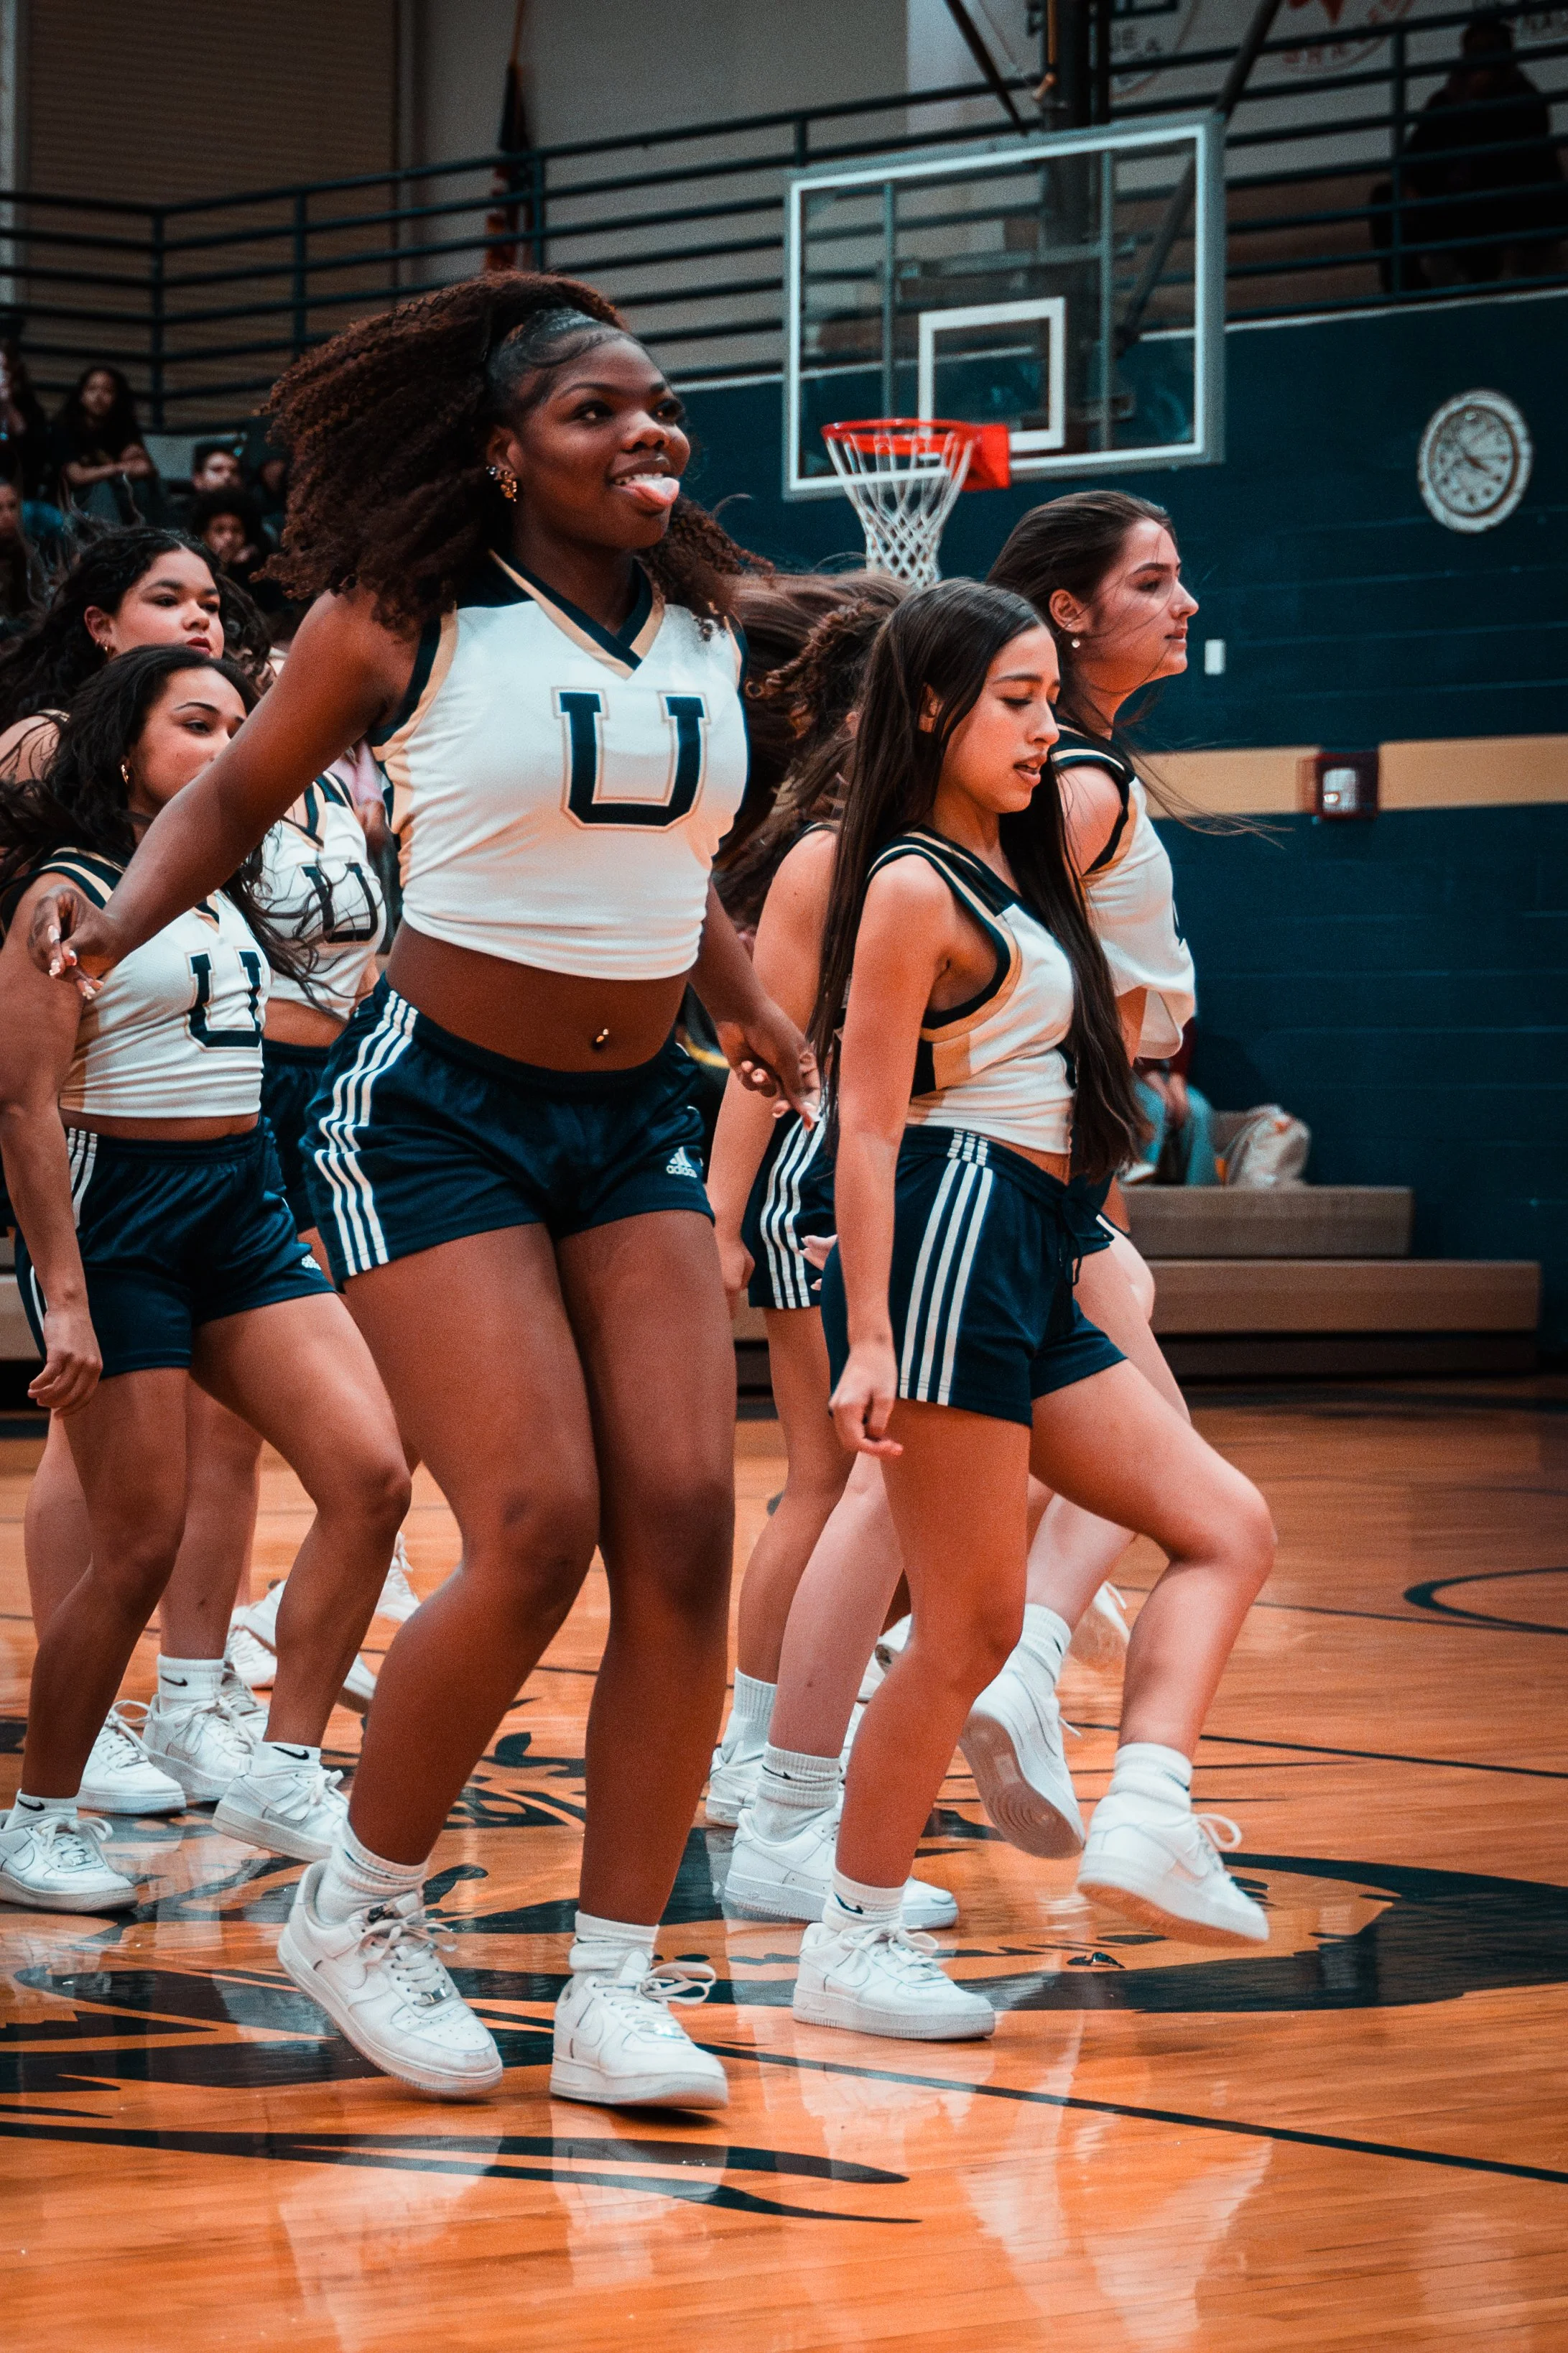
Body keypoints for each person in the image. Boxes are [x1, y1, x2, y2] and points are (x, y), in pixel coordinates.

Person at [25, 269, 814, 2106]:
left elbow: (663, 859)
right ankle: (359, 1906)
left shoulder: (698, 626)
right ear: (499, 448)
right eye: (593, 412)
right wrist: (109, 917)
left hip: (631, 1125)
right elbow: (224, 809)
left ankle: (620, 1977)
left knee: (685, 1522)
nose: (644, 434)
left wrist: (750, 1001)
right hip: (434, 1111)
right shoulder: (409, 617)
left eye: (655, 406)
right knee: (534, 1520)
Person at [773, 579, 1274, 2043]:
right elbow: (863, 1127)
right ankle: (849, 1934)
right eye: (1011, 696)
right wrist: (864, 1331)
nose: (1040, 724)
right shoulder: (908, 883)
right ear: (929, 705)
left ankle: (1152, 1809)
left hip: (1035, 1244)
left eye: (1047, 697)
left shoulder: (1003, 868)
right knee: (969, 1622)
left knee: (1225, 1522)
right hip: (946, 1243)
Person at [0, 644, 411, 1911]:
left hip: (244, 1210)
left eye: (243, 723)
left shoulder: (228, 888)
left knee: (372, 1478)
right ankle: (36, 1816)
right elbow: (20, 1103)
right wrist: (60, 1293)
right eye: (198, 723)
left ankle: (284, 1764)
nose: (233, 743)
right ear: (125, 747)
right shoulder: (65, 893)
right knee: (139, 1544)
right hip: (120, 1219)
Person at [0, 525, 281, 1814]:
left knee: (347, 1465)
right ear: (105, 628)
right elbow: (26, 1089)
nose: (201, 618)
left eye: (212, 602)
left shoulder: (228, 853)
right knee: (124, 1510)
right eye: (168, 600)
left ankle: (205, 1708)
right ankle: (69, 1763)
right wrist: (58, 1288)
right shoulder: (53, 794)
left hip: (243, 1169)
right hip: (113, 1163)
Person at [705, 581, 965, 1931]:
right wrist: (721, 1213)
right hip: (820, 1172)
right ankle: (754, 1754)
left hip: (933, 1175)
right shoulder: (824, 852)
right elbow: (767, 1055)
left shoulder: (945, 842)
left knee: (897, 1494)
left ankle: (794, 1734)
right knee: (822, 1480)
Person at [1372, 13, 1568, 291]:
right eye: (1476, 51)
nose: (1482, 60)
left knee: (1482, 196)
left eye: (1490, 50)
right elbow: (1413, 155)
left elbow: (1511, 162)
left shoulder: (1525, 99)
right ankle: (1408, 296)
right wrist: (1408, 185)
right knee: (1384, 199)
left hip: (1507, 207)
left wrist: (1478, 106)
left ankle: (1483, 284)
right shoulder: (1445, 101)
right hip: (1452, 206)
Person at [50, 367, 159, 524]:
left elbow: (145, 467)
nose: (98, 397)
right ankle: (110, 545)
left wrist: (107, 470)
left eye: (107, 391)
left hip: (117, 494)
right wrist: (118, 467)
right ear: (81, 395)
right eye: (92, 389)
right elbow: (76, 476)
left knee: (144, 486)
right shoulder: (65, 426)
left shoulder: (122, 426)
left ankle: (159, 541)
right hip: (75, 499)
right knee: (102, 488)